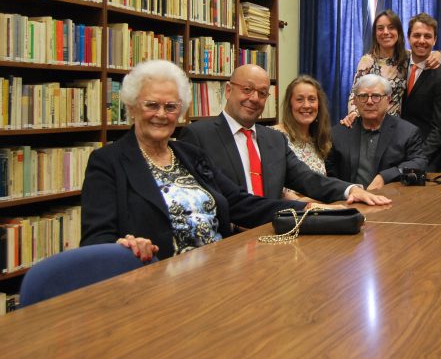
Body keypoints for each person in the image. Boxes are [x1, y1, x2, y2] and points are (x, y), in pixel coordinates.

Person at [80, 60, 312, 261]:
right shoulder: (107, 162)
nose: (161, 114)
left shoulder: (190, 155)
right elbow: (96, 240)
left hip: (222, 267)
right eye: (151, 105)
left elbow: (241, 203)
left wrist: (308, 208)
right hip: (155, 278)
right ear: (132, 107)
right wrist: (124, 247)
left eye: (171, 106)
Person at [178, 64, 390, 206]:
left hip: (276, 233)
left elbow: (308, 179)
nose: (254, 98)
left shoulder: (273, 140)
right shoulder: (198, 136)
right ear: (228, 91)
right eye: (246, 89)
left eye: (262, 93)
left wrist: (352, 189)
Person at [327, 74, 427, 191]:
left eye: (376, 96)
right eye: (363, 96)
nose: (369, 102)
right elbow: (328, 174)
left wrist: (385, 176)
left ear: (388, 100)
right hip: (349, 203)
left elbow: (420, 162)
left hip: (392, 203)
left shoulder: (407, 132)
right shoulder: (339, 133)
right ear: (355, 101)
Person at [344, 9, 440, 122]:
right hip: (370, 124)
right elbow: (355, 94)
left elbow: (425, 53)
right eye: (380, 28)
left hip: (397, 128)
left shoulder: (407, 57)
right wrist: (353, 114)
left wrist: (438, 54)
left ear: (399, 32)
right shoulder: (367, 61)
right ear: (375, 33)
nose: (385, 32)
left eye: (391, 27)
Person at [400, 13, 441, 172]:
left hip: (426, 154)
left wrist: (419, 158)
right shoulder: (397, 66)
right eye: (417, 35)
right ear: (409, 37)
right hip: (395, 149)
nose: (422, 41)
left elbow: (439, 127)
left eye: (427, 36)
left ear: (435, 40)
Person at [271, 75, 332, 176]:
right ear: (290, 104)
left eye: (312, 99)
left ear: (319, 104)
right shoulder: (273, 136)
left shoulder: (319, 141)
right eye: (300, 99)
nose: (306, 105)